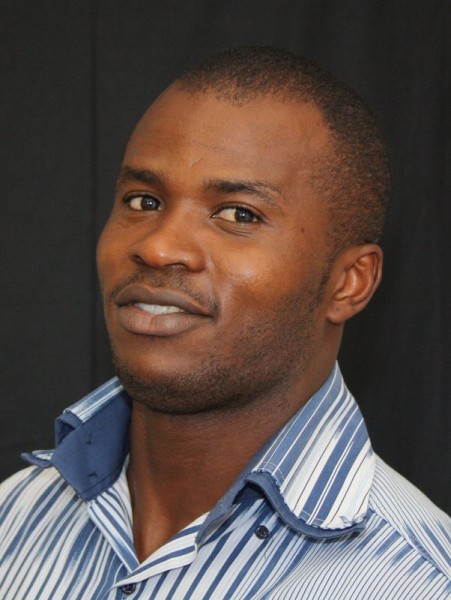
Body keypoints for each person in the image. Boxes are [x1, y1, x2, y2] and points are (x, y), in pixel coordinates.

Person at [0, 46, 449, 599]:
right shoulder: (14, 520)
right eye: (143, 201)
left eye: (239, 214)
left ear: (348, 283)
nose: (159, 247)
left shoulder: (419, 582)